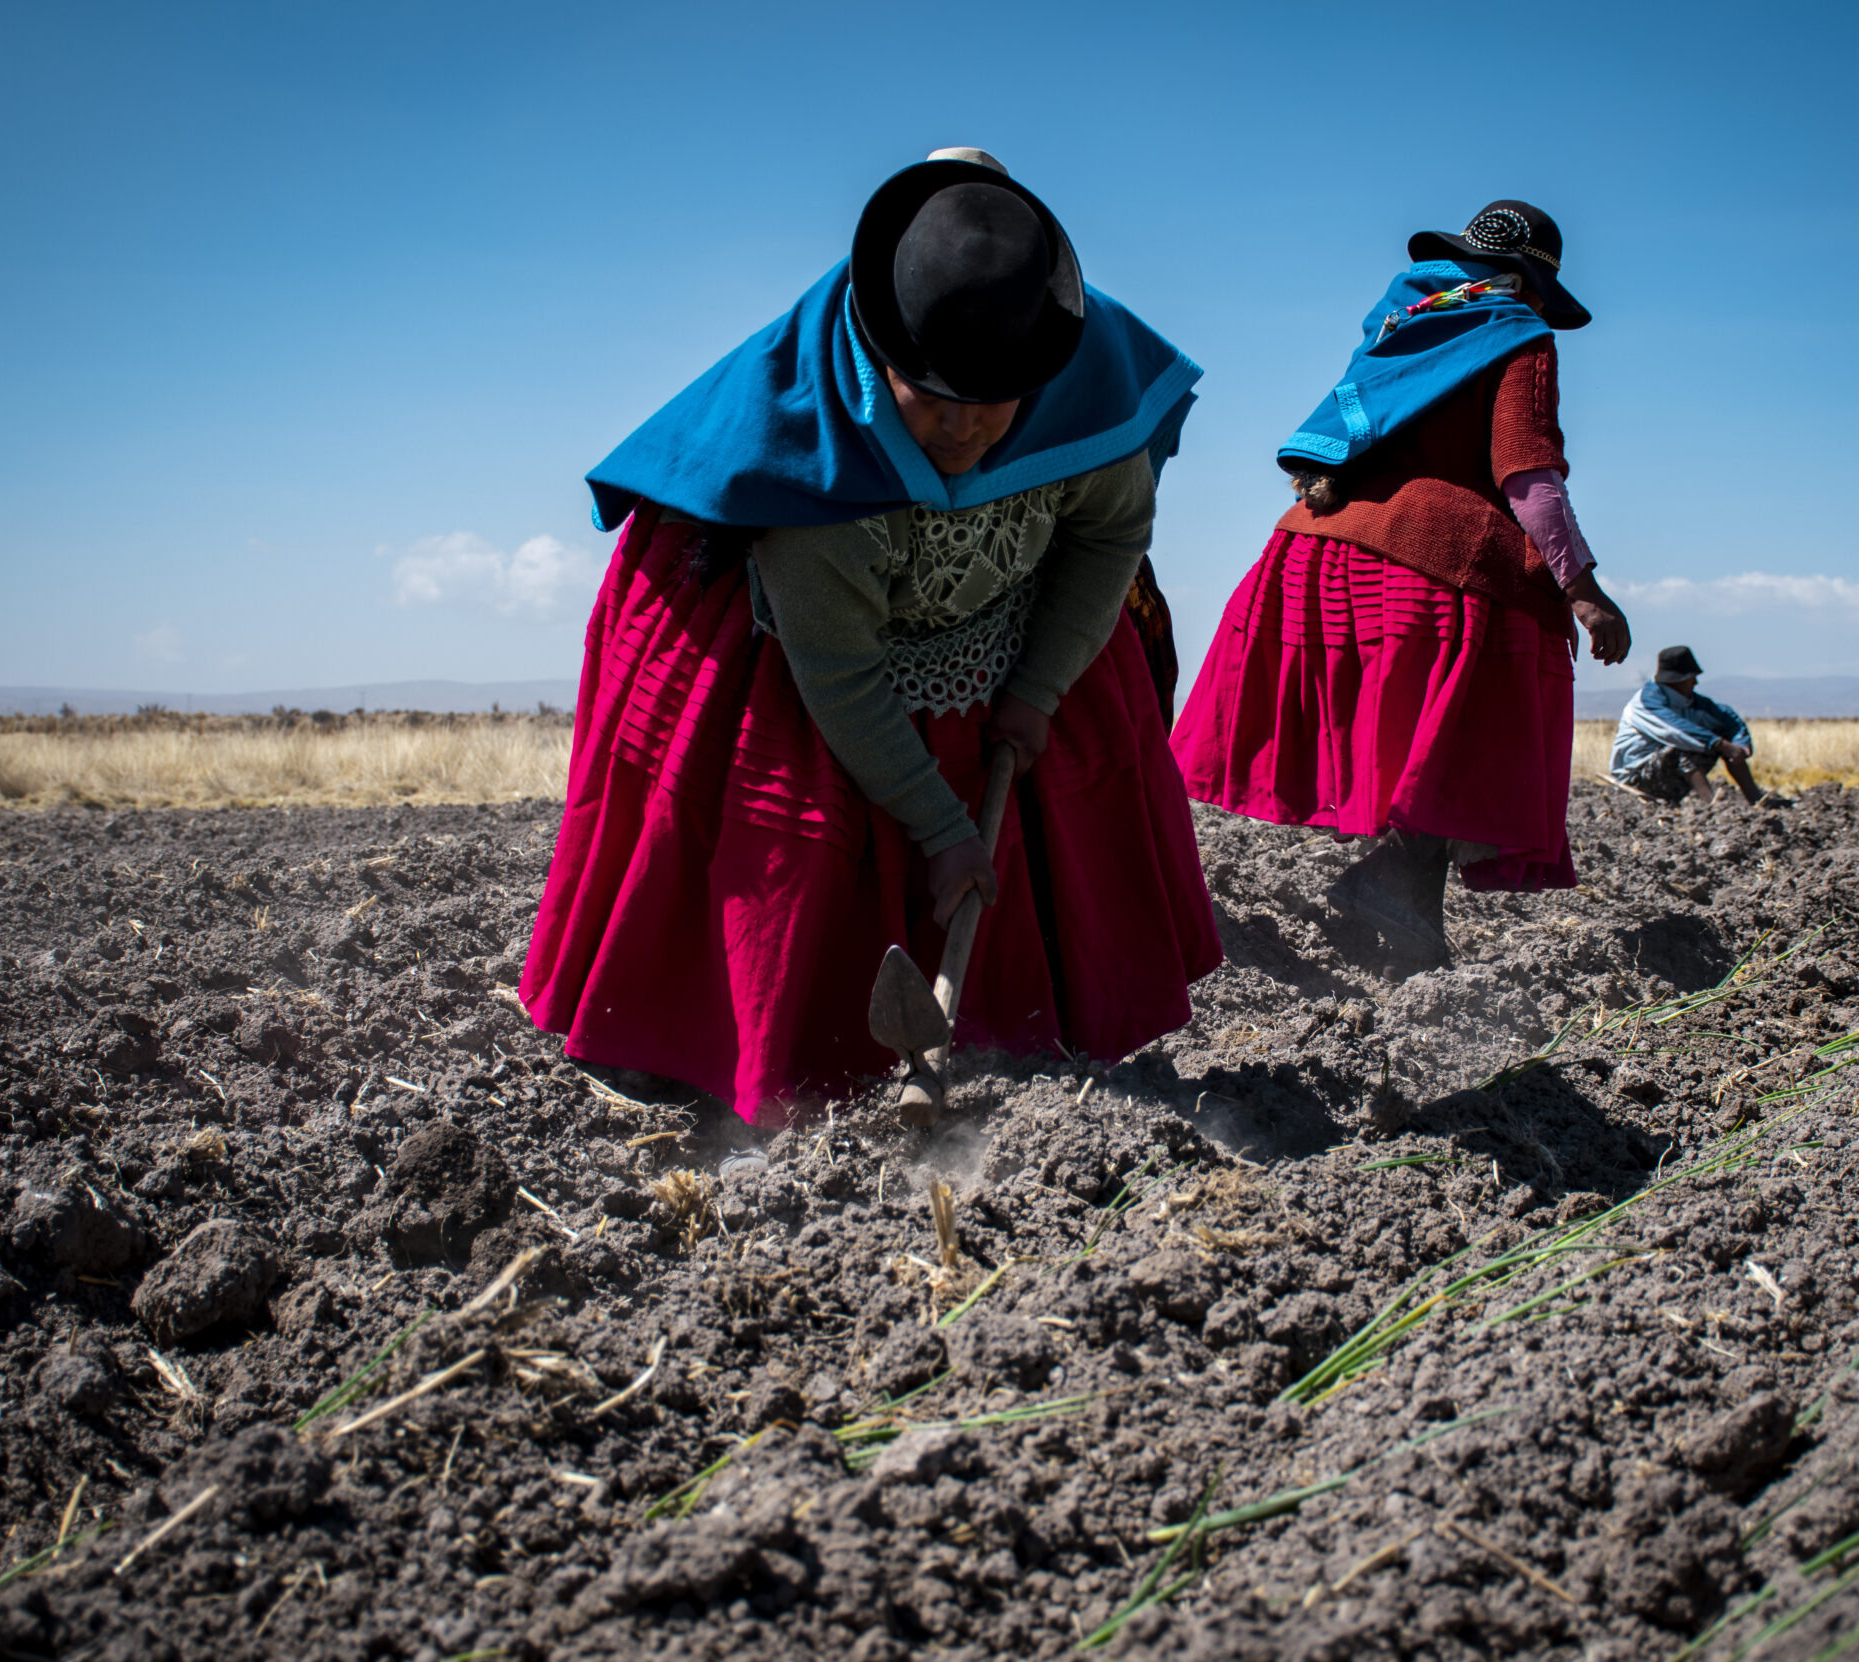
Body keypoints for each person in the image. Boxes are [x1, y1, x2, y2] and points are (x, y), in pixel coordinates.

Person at [520, 150, 1221, 1124]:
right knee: (784, 805)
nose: (961, 434)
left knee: (1069, 731)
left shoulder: (1079, 382)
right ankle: (688, 1047)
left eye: (989, 407)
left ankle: (1038, 1026)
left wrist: (1036, 691)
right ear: (886, 355)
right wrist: (941, 828)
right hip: (783, 627)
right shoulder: (810, 448)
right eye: (932, 402)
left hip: (1005, 591)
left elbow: (1108, 534)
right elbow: (841, 671)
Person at [1170, 200, 1631, 970]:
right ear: (1528, 285)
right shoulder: (1520, 332)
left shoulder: (1402, 321)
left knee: (1424, 745)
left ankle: (1410, 924)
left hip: (1316, 556)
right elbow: (1528, 475)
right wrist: (1583, 589)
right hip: (1431, 568)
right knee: (1465, 740)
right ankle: (1386, 887)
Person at [1609, 645, 1768, 806]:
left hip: (1665, 779)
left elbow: (1728, 718)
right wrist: (1720, 744)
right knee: (1685, 745)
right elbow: (1676, 731)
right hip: (1636, 778)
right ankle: (1713, 805)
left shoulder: (1689, 701)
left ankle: (1756, 800)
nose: (1695, 682)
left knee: (1720, 737)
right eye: (1691, 678)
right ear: (1676, 680)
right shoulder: (1646, 703)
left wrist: (1741, 745)